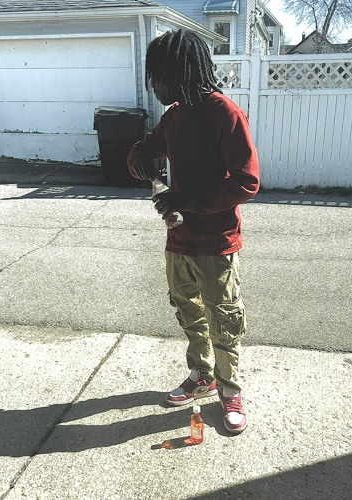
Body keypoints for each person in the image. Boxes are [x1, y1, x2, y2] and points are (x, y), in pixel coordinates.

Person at [127, 29, 260, 434]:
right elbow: (145, 150)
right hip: (179, 240)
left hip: (216, 241)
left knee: (224, 317)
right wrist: (139, 161)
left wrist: (183, 201)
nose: (155, 86)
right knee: (188, 310)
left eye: (159, 77)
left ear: (182, 72)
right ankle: (202, 375)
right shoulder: (174, 116)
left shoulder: (225, 114)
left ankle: (230, 389)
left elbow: (246, 182)